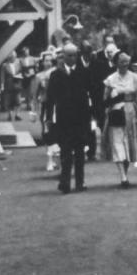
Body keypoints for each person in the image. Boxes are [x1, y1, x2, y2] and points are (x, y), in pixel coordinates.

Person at [44, 44, 94, 194]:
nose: (72, 58)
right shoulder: (56, 75)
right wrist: (48, 117)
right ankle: (64, 182)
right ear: (63, 56)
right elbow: (50, 99)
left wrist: (91, 118)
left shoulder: (83, 73)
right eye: (69, 55)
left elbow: (90, 95)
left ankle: (80, 182)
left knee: (79, 153)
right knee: (65, 152)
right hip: (63, 119)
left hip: (80, 119)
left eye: (74, 55)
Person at [102, 51, 137, 188]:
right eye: (121, 61)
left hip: (131, 111)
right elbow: (105, 99)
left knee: (129, 142)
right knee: (117, 142)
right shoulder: (110, 79)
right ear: (115, 63)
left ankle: (125, 172)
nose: (125, 64)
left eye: (127, 61)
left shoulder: (135, 78)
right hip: (116, 112)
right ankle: (123, 177)